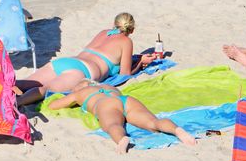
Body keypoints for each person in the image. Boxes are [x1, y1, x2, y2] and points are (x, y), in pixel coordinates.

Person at [16, 12, 154, 106]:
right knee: (45, 90)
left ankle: (5, 89)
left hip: (66, 61)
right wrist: (140, 62)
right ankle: (17, 102)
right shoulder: (126, 41)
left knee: (25, 83)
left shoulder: (104, 32)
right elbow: (125, 74)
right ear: (132, 29)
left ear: (115, 24)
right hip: (82, 70)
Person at [46, 80, 196, 154]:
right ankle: (177, 130)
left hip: (105, 105)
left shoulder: (79, 93)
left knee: (113, 125)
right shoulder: (109, 87)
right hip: (125, 100)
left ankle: (122, 139)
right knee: (153, 122)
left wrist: (73, 98)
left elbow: (53, 105)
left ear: (83, 84)